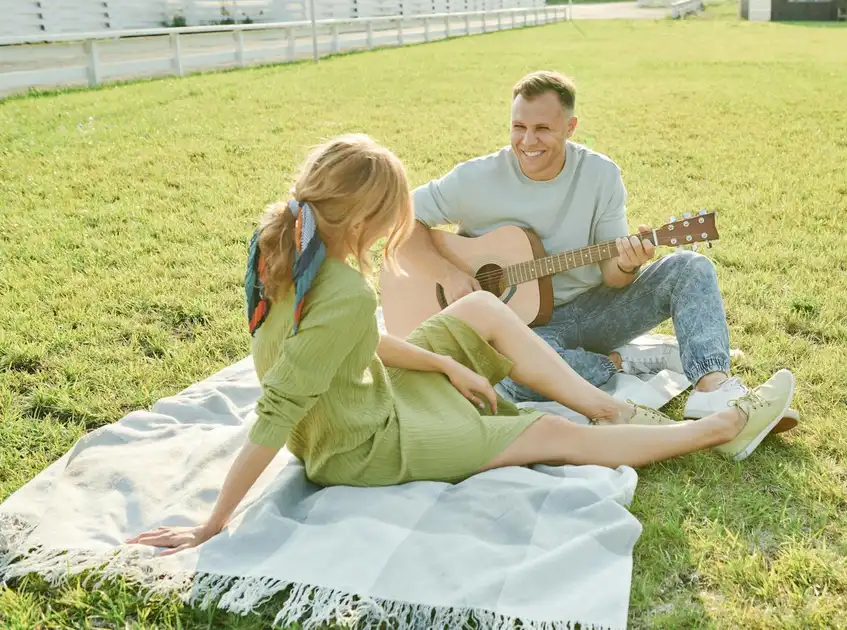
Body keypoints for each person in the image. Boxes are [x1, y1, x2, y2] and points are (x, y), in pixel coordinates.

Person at [125, 134, 796, 555]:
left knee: (478, 305)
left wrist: (445, 361)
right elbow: (276, 411)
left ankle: (612, 408)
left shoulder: (283, 245)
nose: (399, 230)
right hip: (369, 447)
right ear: (364, 218)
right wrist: (213, 523)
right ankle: (723, 429)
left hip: (373, 403)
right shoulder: (342, 291)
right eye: (394, 218)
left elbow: (350, 348)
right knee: (549, 436)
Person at [399, 70, 793, 427]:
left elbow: (611, 276)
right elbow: (401, 220)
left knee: (690, 266)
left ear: (570, 127)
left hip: (590, 309)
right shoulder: (476, 179)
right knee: (519, 381)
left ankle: (712, 388)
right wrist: (448, 274)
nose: (527, 141)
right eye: (518, 127)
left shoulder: (600, 175)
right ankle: (622, 362)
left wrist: (626, 265)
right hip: (515, 330)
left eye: (542, 128)